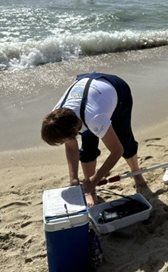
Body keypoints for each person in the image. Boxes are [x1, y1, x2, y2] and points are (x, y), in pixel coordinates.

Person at [41, 72, 146, 206]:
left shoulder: (95, 118)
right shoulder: (56, 117)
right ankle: (91, 191)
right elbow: (71, 147)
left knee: (125, 140)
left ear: (74, 131)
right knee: (87, 150)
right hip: (89, 94)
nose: (63, 143)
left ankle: (136, 173)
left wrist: (96, 178)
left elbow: (117, 151)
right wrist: (73, 178)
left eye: (63, 140)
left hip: (117, 91)